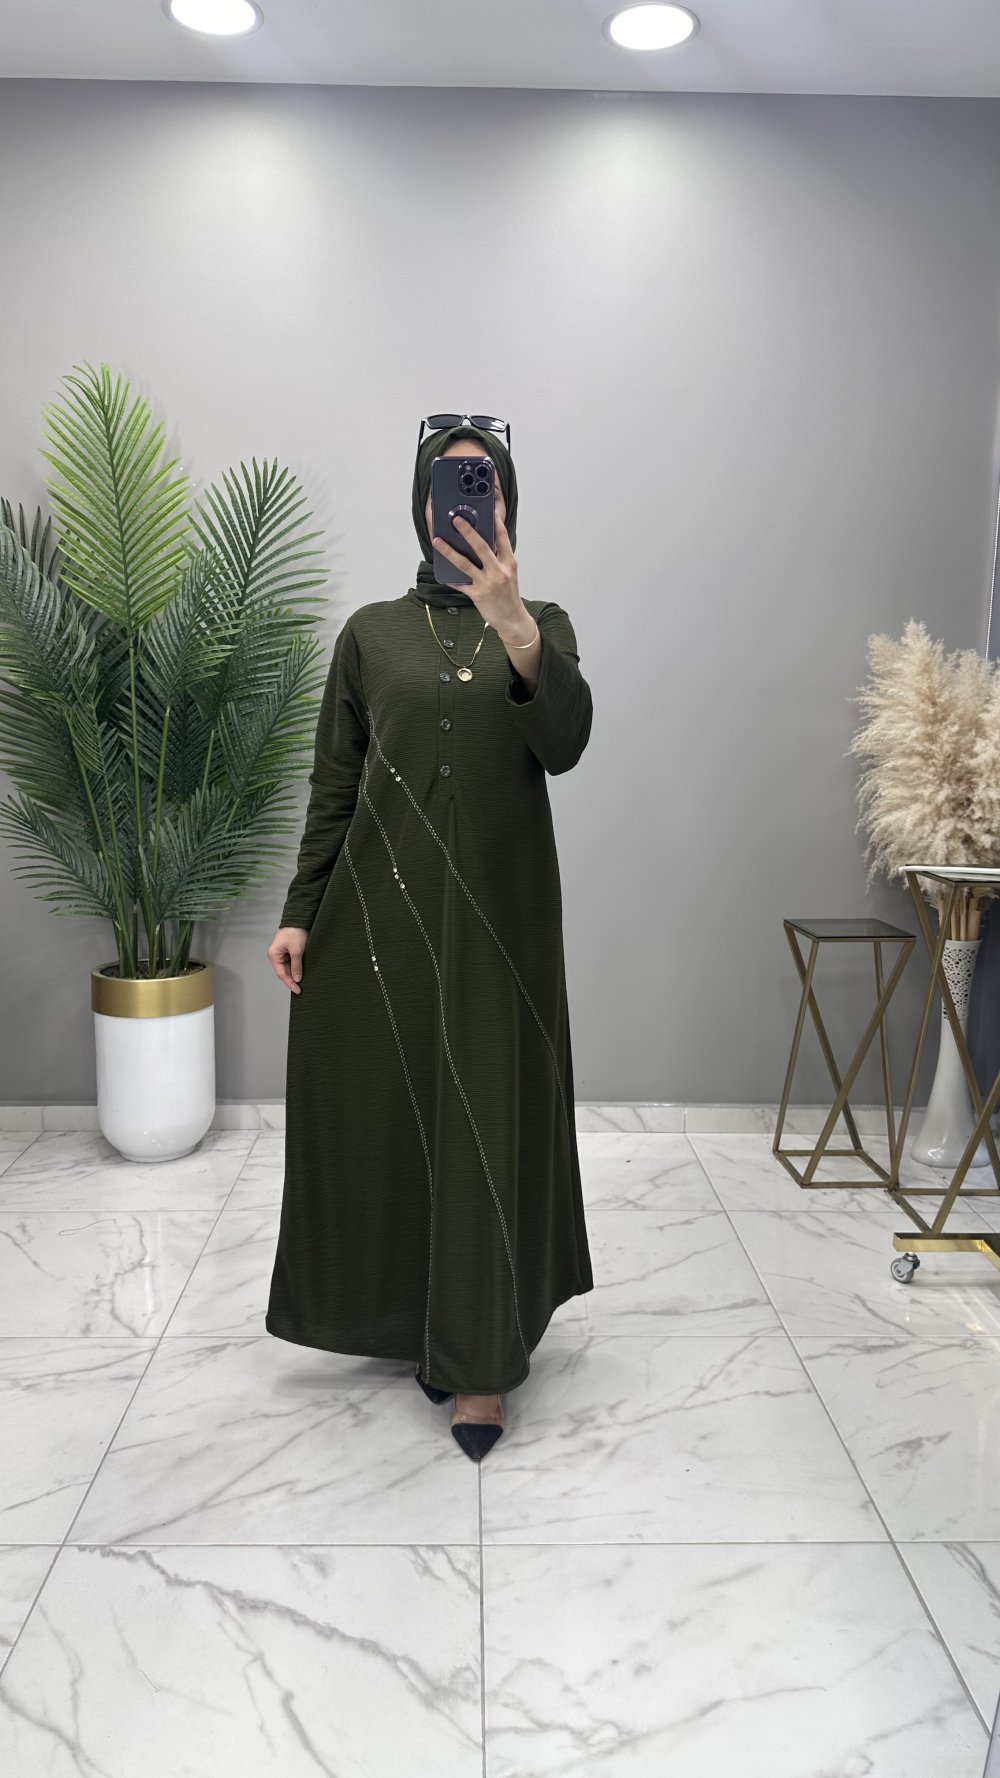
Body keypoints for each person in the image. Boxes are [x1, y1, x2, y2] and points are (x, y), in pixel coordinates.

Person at [265, 415, 595, 1462]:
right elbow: (335, 780)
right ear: (420, 505)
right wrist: (300, 908)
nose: (465, 499)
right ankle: (412, 1311)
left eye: (482, 482)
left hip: (503, 919)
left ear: (507, 502)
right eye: (449, 483)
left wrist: (516, 628)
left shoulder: (543, 621)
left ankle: (480, 1357)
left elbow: (565, 743)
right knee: (396, 1109)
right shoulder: (370, 633)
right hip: (382, 914)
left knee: (484, 1115)